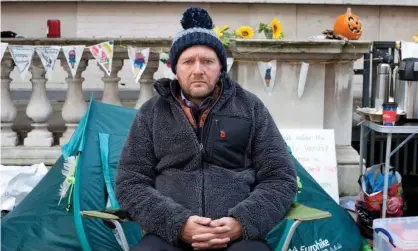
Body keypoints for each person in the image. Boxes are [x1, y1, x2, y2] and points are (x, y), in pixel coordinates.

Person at [115, 7, 297, 251]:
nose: (198, 70)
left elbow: (280, 178)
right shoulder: (152, 113)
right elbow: (130, 182)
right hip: (169, 237)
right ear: (175, 69)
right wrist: (177, 224)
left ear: (220, 67)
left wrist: (241, 222)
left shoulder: (249, 107)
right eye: (188, 62)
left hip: (238, 240)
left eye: (208, 61)